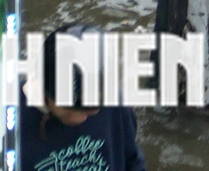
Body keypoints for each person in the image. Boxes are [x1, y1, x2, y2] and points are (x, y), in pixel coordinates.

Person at [19, 26, 151, 171]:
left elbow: (132, 161)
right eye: (68, 107)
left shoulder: (115, 105)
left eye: (91, 109)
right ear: (43, 90)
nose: (79, 118)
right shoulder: (11, 117)